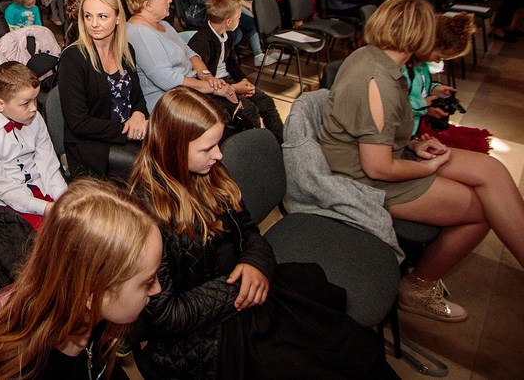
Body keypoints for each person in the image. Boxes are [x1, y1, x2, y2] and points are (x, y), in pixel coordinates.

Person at [127, 87, 397, 379]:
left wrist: (255, 263)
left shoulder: (212, 173)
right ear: (174, 147)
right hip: (207, 331)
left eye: (218, 144)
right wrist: (239, 285)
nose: (218, 155)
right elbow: (166, 315)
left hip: (247, 293)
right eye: (207, 148)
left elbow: (250, 230)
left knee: (345, 346)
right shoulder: (146, 216)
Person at [320, 0, 524, 321]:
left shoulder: (376, 57)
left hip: (388, 155)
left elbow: (382, 132)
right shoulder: (379, 82)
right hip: (363, 178)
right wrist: (427, 167)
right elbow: (377, 167)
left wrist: (415, 146)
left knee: (492, 170)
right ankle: (417, 286)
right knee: (480, 211)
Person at [0, 179, 162, 379]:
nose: (157, 289)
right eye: (147, 281)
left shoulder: (95, 323)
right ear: (89, 291)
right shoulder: (25, 369)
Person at [123, 0, 242, 115]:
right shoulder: (138, 33)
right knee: (235, 116)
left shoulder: (164, 25)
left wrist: (207, 76)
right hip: (170, 104)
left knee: (244, 110)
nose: (170, 0)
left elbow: (190, 52)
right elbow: (167, 79)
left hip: (189, 92)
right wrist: (211, 87)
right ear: (147, 5)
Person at [60, 0, 148, 178]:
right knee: (152, 165)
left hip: (127, 134)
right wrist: (128, 131)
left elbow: (137, 95)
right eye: (88, 16)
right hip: (92, 145)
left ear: (118, 18)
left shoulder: (126, 51)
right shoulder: (73, 58)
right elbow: (79, 123)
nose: (94, 24)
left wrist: (139, 115)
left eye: (102, 16)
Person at [0, 62, 68, 230]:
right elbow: (1, 187)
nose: (34, 108)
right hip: (11, 201)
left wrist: (64, 198)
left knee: (77, 226)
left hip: (41, 186)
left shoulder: (35, 118)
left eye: (35, 100)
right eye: (26, 103)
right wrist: (45, 208)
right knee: (49, 240)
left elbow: (49, 164)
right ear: (0, 104)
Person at [188, 0, 284, 143]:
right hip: (213, 88)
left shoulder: (228, 36)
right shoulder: (201, 42)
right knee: (249, 111)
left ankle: (281, 143)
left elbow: (231, 63)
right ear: (228, 21)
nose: (240, 21)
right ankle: (259, 150)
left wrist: (244, 81)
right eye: (239, 17)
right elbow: (203, 81)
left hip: (229, 80)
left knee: (266, 102)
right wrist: (235, 88)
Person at [406, 13, 491, 152]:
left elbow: (420, 88)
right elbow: (394, 104)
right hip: (404, 131)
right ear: (430, 43)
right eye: (439, 57)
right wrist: (424, 107)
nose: (438, 62)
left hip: (414, 127)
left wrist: (435, 89)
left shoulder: (422, 65)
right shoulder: (403, 68)